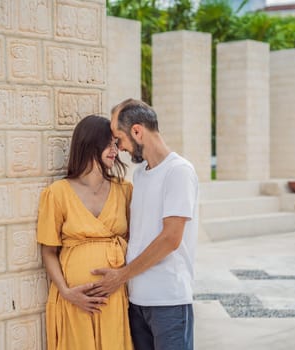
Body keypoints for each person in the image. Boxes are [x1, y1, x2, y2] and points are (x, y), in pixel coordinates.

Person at [89, 99, 199, 350]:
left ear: (137, 131)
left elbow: (170, 238)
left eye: (119, 139)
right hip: (137, 301)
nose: (120, 148)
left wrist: (120, 276)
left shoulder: (178, 171)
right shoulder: (140, 175)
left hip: (168, 301)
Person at [36, 115, 134, 350]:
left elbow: (134, 240)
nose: (115, 150)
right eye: (109, 144)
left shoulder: (124, 190)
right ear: (90, 143)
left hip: (113, 297)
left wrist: (121, 277)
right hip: (75, 300)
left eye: (116, 144)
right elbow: (48, 251)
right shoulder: (57, 192)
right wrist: (67, 292)